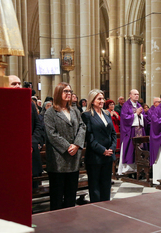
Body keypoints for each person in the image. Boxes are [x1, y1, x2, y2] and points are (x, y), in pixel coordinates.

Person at [44, 82, 86, 210]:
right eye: (66, 91)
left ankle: (70, 222)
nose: (69, 93)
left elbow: (82, 127)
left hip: (73, 158)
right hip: (58, 159)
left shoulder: (74, 111)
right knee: (57, 197)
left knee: (70, 195)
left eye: (70, 91)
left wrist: (77, 144)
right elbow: (51, 134)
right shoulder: (50, 112)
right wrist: (68, 147)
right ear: (58, 93)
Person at [81, 89, 117, 202]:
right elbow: (89, 138)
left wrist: (111, 149)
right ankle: (96, 210)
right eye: (99, 99)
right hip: (95, 156)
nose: (102, 101)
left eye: (103, 98)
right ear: (92, 101)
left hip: (108, 156)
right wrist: (103, 150)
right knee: (95, 186)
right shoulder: (87, 115)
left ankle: (106, 207)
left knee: (106, 184)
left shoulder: (106, 114)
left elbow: (113, 134)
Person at [9, 75, 44, 188]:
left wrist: (31, 143)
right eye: (14, 84)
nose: (18, 86)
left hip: (30, 150)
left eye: (19, 83)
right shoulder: (2, 104)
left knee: (31, 187)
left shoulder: (30, 104)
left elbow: (38, 126)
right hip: (12, 152)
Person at [118, 89, 145, 175]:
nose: (137, 96)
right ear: (130, 95)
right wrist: (136, 114)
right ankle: (128, 169)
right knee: (130, 149)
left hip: (139, 130)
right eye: (135, 94)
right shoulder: (126, 105)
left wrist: (141, 115)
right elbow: (125, 118)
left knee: (139, 148)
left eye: (138, 94)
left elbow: (144, 116)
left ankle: (138, 167)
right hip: (130, 132)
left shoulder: (139, 105)